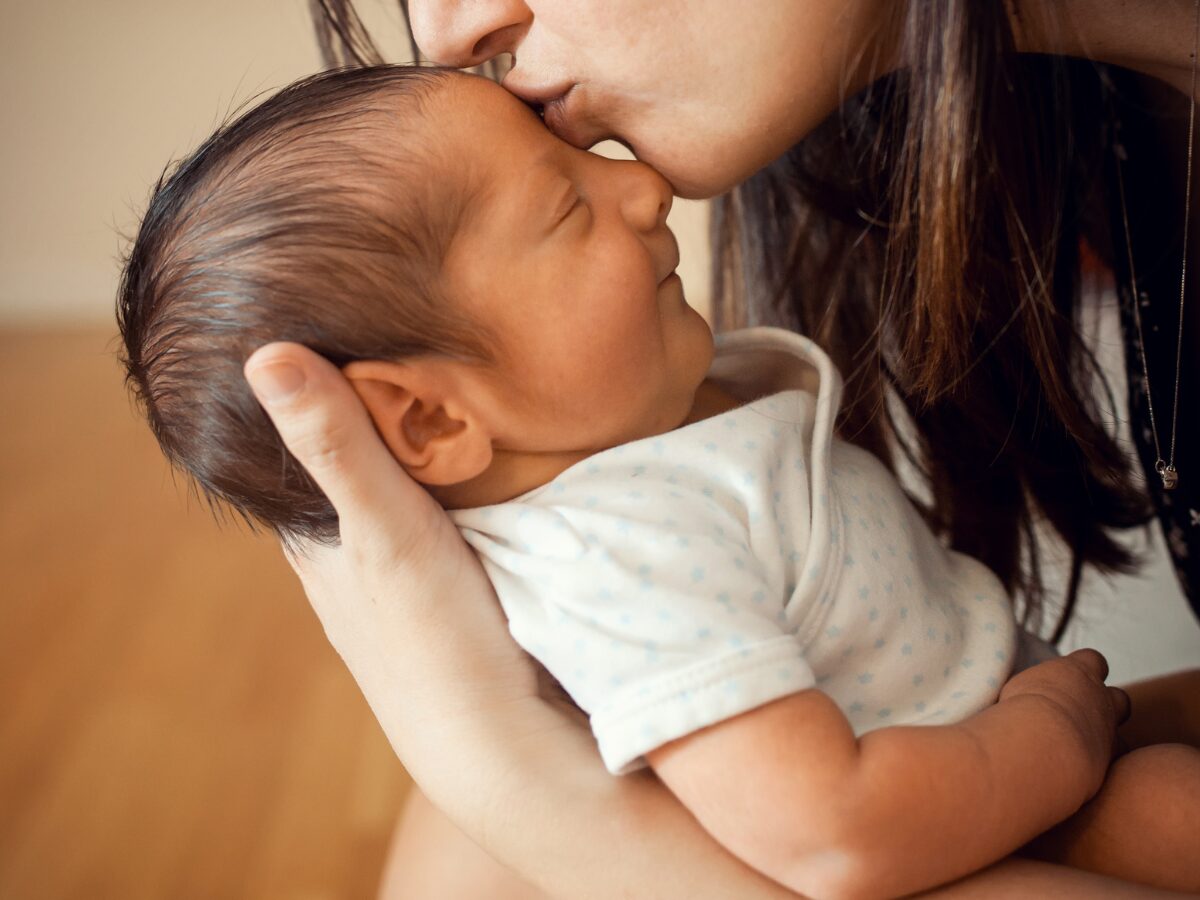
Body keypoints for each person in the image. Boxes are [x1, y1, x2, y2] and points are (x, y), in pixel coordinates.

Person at [119, 56, 1200, 895]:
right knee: (1169, 815)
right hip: (964, 824)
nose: (638, 188)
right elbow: (834, 835)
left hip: (999, 755)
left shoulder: (648, 429)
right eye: (564, 207)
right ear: (432, 416)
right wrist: (1047, 744)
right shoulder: (617, 558)